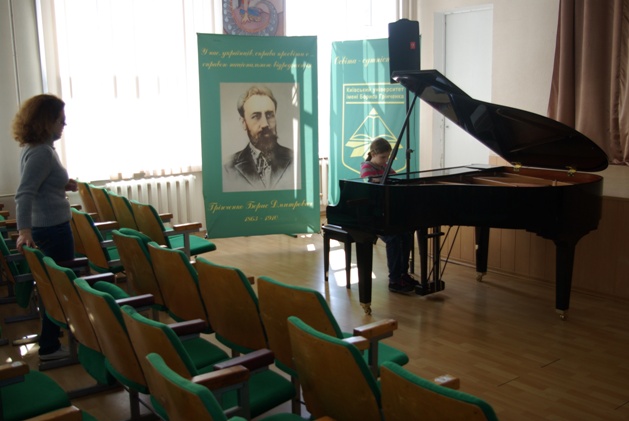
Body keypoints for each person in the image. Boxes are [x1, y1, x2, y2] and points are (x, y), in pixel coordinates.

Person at [13, 94, 77, 360]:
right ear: (46, 121)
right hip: (52, 231)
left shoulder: (38, 149)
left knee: (52, 287)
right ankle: (50, 346)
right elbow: (24, 193)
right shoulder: (41, 153)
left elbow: (40, 187)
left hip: (50, 228)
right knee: (58, 288)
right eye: (60, 120)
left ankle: (50, 339)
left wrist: (63, 184)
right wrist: (24, 231)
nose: (64, 124)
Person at [360, 137, 418, 294]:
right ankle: (394, 279)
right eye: (383, 157)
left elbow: (395, 180)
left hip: (387, 214)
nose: (386, 161)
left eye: (387, 157)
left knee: (406, 234)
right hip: (373, 217)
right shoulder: (366, 167)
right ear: (373, 154)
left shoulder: (385, 167)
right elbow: (370, 183)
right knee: (393, 239)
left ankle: (403, 273)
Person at [223, 85, 295, 192]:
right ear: (243, 123)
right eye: (256, 116)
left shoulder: (294, 158)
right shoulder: (228, 168)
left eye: (269, 115)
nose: (265, 124)